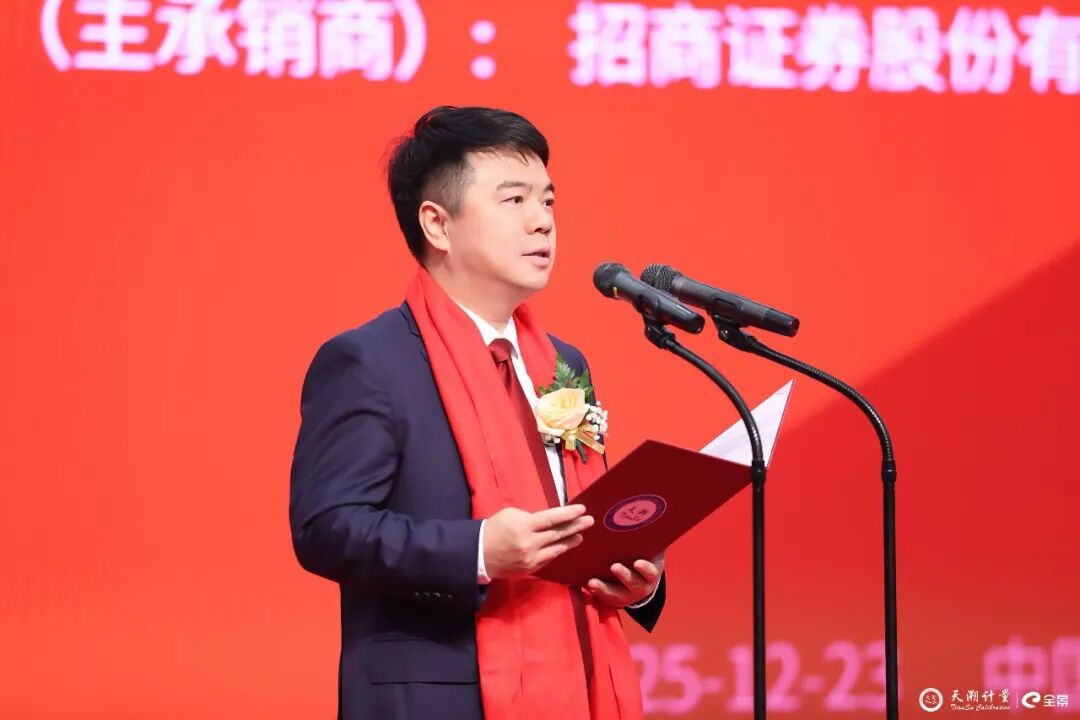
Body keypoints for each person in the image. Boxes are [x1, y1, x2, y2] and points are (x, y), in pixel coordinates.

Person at [289, 106, 666, 720]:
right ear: (437, 224)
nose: (542, 220)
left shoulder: (562, 364)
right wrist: (480, 550)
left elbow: (584, 518)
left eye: (548, 200)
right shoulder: (370, 361)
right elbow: (328, 530)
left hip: (579, 683)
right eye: (514, 200)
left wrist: (636, 578)